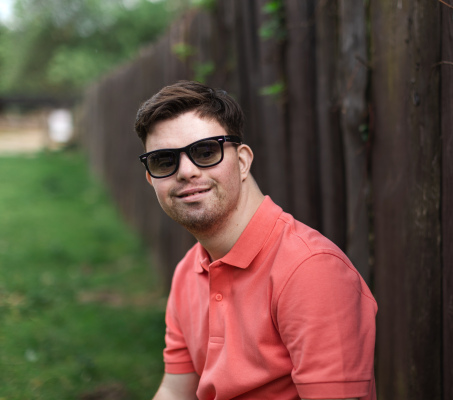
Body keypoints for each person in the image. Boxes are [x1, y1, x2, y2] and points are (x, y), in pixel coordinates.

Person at [134, 81, 377, 400]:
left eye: (206, 151)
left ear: (243, 161)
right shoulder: (189, 271)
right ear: (152, 179)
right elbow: (174, 392)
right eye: (165, 161)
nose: (186, 171)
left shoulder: (311, 271)